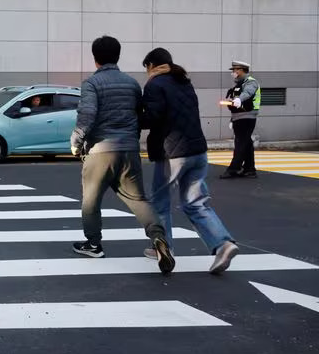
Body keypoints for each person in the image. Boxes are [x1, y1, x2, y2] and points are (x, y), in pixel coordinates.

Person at [70, 36, 174, 274]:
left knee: (91, 201)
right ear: (118, 56)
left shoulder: (91, 84)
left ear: (95, 58)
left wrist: (76, 141)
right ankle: (159, 238)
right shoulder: (131, 84)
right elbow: (139, 115)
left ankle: (93, 244)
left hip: (101, 151)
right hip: (128, 149)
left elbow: (87, 115)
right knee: (139, 200)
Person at [140, 48, 240, 274]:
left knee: (160, 203)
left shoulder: (155, 85)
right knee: (196, 203)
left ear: (152, 65)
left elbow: (152, 118)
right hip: (197, 150)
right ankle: (223, 244)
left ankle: (165, 248)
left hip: (172, 154)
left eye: (146, 68)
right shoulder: (184, 82)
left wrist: (135, 115)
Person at [221, 61, 260, 179]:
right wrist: (232, 120)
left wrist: (240, 99)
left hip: (247, 117)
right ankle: (249, 169)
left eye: (234, 70)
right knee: (246, 143)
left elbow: (248, 92)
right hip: (239, 118)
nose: (233, 73)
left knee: (240, 143)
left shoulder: (251, 82)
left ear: (241, 70)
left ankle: (234, 168)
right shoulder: (238, 84)